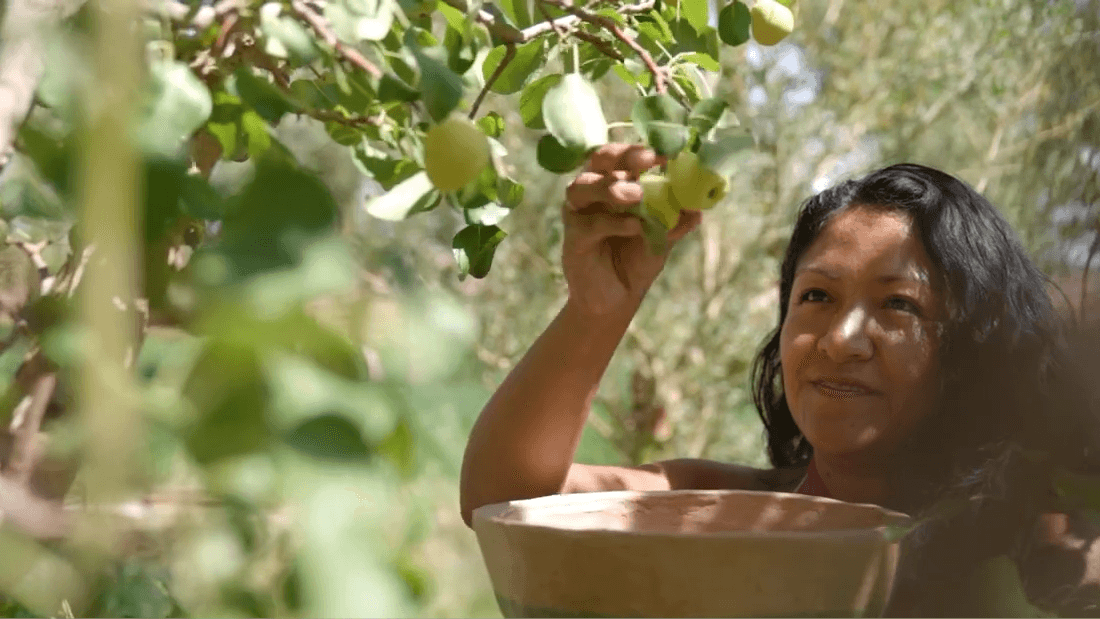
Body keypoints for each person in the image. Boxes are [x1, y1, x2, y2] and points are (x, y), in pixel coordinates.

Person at [459, 143, 1100, 616]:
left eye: (898, 305)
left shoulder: (1038, 535)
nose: (841, 341)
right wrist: (598, 309)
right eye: (817, 296)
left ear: (971, 345)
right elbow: (505, 499)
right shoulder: (712, 507)